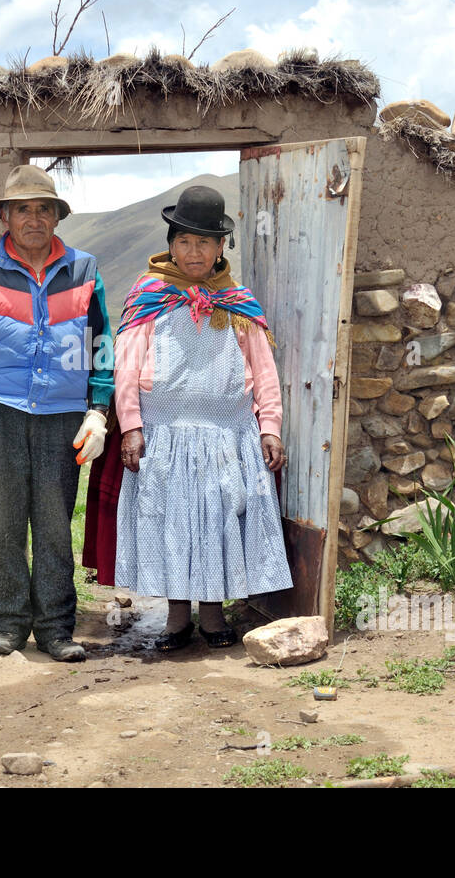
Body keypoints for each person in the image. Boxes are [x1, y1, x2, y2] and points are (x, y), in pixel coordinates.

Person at [0, 164, 114, 662]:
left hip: (63, 413)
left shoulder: (84, 269)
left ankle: (57, 629)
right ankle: (9, 623)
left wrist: (99, 410)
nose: (34, 218)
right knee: (5, 520)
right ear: (7, 216)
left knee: (56, 523)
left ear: (56, 217)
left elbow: (101, 345)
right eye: (23, 209)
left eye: (44, 209)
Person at [113, 185, 292, 651]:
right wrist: (131, 427)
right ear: (171, 244)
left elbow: (263, 370)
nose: (194, 252)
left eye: (204, 243)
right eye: (184, 242)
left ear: (220, 249)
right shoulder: (149, 295)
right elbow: (126, 366)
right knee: (170, 522)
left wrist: (269, 426)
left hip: (226, 437)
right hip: (165, 435)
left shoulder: (236, 301)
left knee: (218, 521)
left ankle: (212, 617)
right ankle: (176, 620)